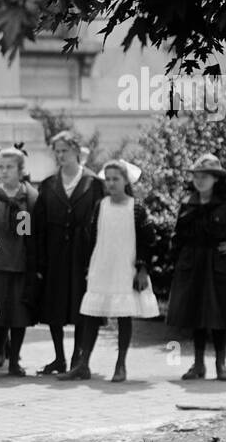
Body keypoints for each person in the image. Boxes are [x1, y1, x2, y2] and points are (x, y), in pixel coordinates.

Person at [166, 153, 226, 381]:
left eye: (205, 176)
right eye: (197, 176)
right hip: (192, 263)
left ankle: (221, 364)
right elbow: (177, 235)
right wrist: (175, 260)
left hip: (218, 264)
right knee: (196, 314)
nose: (200, 180)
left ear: (216, 179)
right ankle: (198, 364)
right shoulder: (187, 204)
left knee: (219, 314)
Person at [68, 159, 159, 382]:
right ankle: (83, 364)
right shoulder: (101, 205)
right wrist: (90, 265)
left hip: (125, 267)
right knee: (92, 315)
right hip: (102, 266)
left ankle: (121, 365)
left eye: (115, 179)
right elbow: (92, 236)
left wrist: (142, 269)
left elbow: (149, 241)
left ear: (125, 180)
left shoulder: (136, 208)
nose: (111, 183)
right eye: (107, 179)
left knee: (123, 316)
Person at [33, 130, 105, 375]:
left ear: (77, 150)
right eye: (58, 151)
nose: (61, 155)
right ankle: (59, 357)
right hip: (54, 252)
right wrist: (39, 260)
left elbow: (100, 222)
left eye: (65, 150)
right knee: (54, 306)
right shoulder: (49, 184)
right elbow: (37, 225)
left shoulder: (93, 183)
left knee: (80, 305)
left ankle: (78, 358)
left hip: (82, 252)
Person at [0, 148, 38, 377]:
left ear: (21, 170)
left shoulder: (29, 197)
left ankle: (14, 361)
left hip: (20, 265)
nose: (4, 171)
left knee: (18, 314)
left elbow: (31, 234)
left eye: (9, 167)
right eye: (1, 167)